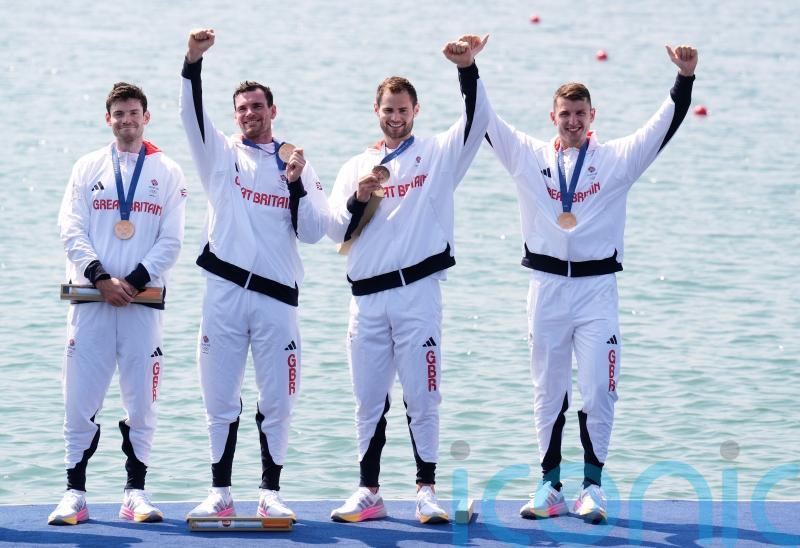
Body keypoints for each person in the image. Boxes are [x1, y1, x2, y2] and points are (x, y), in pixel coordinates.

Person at [485, 45, 698, 523]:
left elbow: (664, 124)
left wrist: (684, 77)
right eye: (565, 114)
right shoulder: (528, 157)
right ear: (553, 117)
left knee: (600, 388)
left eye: (580, 114)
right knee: (548, 390)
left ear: (592, 115)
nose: (573, 121)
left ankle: (593, 487)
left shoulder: (617, 159)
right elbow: (486, 121)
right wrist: (468, 69)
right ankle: (548, 485)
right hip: (545, 287)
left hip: (597, 290)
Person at [326, 35, 489, 525]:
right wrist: (358, 197)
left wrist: (468, 69)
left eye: (403, 108)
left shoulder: (438, 154)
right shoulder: (357, 164)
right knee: (368, 401)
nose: (394, 116)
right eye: (387, 109)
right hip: (366, 300)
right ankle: (369, 491)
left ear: (416, 109)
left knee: (423, 397)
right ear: (375, 110)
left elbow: (478, 120)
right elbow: (333, 228)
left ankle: (425, 490)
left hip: (418, 294)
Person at [179, 28, 330, 521]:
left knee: (278, 399)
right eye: (241, 107)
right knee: (220, 398)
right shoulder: (220, 155)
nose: (249, 113)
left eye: (257, 106)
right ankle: (220, 491)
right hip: (224, 292)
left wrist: (295, 187)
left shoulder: (296, 162)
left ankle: (270, 492)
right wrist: (193, 61)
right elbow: (189, 114)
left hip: (277, 299)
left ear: (273, 110)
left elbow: (312, 233)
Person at [50, 82, 187, 525]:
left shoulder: (167, 171)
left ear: (147, 117)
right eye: (119, 114)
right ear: (107, 119)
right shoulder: (88, 166)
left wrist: (132, 282)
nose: (127, 121)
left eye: (134, 113)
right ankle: (74, 493)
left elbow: (172, 239)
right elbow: (70, 228)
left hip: (141, 304)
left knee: (141, 401)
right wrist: (101, 278)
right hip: (91, 300)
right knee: (78, 398)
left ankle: (135, 492)